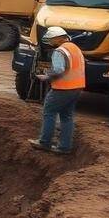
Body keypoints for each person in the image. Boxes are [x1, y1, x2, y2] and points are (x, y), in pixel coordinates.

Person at [29, 26, 84, 154]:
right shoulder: (75, 48)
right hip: (77, 87)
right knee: (67, 116)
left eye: (51, 40)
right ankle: (64, 147)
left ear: (58, 39)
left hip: (62, 88)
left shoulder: (60, 51)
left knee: (49, 112)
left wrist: (46, 76)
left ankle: (45, 142)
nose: (50, 43)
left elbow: (59, 70)